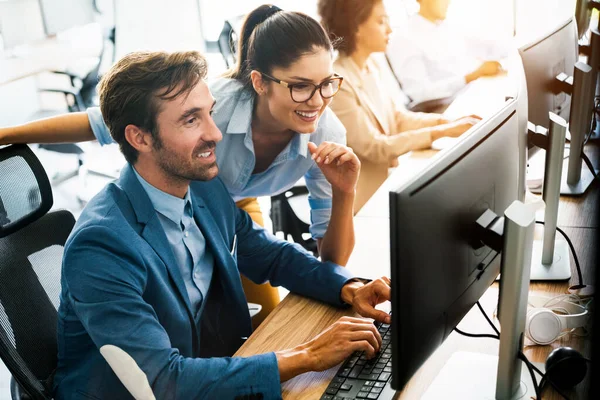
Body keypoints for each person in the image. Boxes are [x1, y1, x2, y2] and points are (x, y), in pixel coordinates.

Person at [54, 49, 391, 399]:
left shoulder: (203, 187)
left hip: (209, 370)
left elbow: (271, 255)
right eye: (190, 120)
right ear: (140, 138)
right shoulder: (102, 245)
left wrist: (348, 287)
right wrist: (309, 355)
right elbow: (166, 381)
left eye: (210, 113)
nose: (215, 134)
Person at [0, 5, 358, 325]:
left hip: (224, 208)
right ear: (259, 82)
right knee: (185, 314)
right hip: (176, 193)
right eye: (300, 87)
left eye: (327, 84)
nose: (318, 100)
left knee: (251, 320)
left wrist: (345, 200)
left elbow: (320, 259)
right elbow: (102, 123)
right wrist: (7, 133)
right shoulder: (216, 102)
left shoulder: (324, 131)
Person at [318, 0, 480, 212]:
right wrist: (441, 132)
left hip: (387, 185)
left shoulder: (371, 65)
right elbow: (375, 147)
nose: (389, 29)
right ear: (356, 27)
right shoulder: (338, 82)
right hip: (362, 203)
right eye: (381, 21)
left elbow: (396, 118)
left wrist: (445, 121)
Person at [385, 0, 508, 104]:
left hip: (471, 95)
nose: (448, 2)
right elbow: (418, 94)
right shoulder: (405, 39)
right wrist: (472, 76)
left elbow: (485, 47)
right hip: (446, 110)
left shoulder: (446, 27)